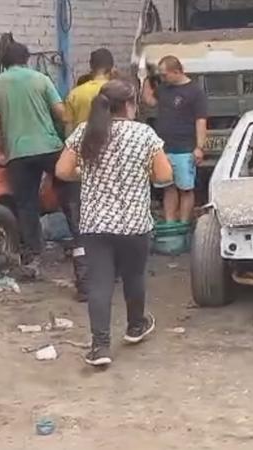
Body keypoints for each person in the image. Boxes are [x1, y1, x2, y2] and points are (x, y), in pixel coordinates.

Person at [56, 79, 174, 367]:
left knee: (99, 284)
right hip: (134, 223)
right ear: (129, 105)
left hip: (96, 224)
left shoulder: (86, 132)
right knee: (134, 277)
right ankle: (136, 326)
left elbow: (62, 171)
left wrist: (88, 176)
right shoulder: (144, 134)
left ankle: (100, 347)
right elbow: (164, 175)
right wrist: (138, 174)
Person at [0, 42, 69, 278]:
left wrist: (4, 147)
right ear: (27, 59)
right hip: (50, 147)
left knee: (26, 205)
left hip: (18, 153)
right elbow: (61, 113)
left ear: (5, 61)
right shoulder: (40, 79)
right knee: (70, 195)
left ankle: (35, 256)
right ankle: (84, 245)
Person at [57, 48, 117, 303]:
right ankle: (111, 274)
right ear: (111, 66)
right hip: (112, 168)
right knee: (112, 221)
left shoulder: (75, 94)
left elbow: (68, 130)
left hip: (82, 168)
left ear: (90, 66)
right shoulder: (117, 91)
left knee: (82, 225)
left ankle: (84, 281)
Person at [141, 55, 207, 227]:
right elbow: (150, 101)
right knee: (168, 187)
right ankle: (171, 223)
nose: (163, 78)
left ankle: (184, 224)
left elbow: (201, 120)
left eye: (165, 75)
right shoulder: (164, 89)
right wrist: (145, 80)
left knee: (185, 188)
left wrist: (199, 147)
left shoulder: (195, 92)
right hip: (164, 148)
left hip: (185, 148)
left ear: (177, 71)